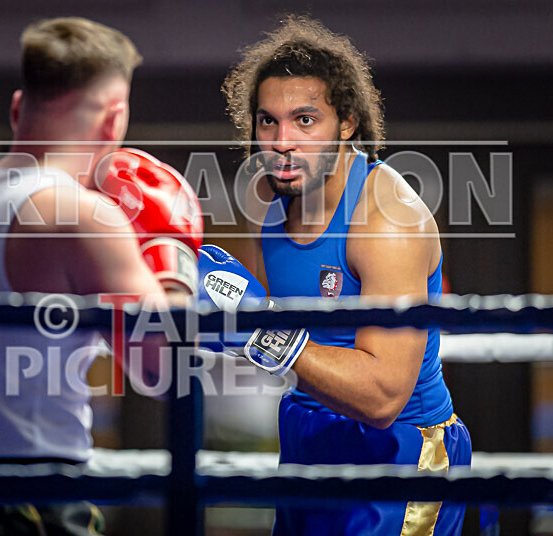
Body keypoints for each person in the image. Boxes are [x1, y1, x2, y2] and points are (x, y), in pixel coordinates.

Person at [0, 17, 202, 535]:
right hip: (24, 503)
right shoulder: (81, 216)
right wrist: (173, 259)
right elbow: (164, 370)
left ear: (17, 107)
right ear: (113, 121)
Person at [200, 15, 471, 535]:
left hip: (398, 450)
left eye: (305, 120)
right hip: (306, 433)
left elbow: (383, 397)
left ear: (346, 122)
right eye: (267, 122)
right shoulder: (275, 211)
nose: (282, 142)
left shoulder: (386, 220)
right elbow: (302, 343)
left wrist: (257, 331)